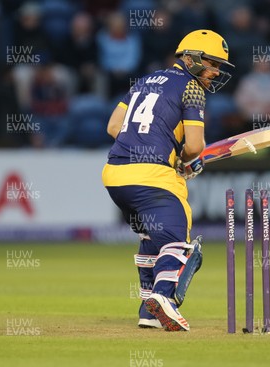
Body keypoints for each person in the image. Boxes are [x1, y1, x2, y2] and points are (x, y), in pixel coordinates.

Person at [102, 30, 234, 331]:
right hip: (152, 176)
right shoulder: (191, 88)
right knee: (180, 245)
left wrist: (168, 153)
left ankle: (148, 312)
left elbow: (113, 127)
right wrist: (181, 160)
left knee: (152, 240)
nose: (215, 72)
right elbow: (196, 146)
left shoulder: (143, 81)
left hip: (115, 176)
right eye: (213, 63)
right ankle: (163, 297)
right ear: (192, 58)